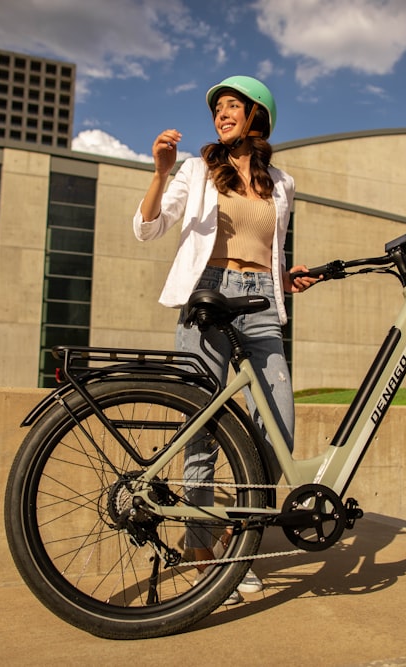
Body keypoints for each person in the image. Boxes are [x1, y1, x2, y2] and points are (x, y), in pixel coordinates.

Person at [132, 75, 317, 603]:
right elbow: (148, 228)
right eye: (218, 108)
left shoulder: (283, 183)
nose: (222, 114)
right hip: (207, 293)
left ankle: (241, 540)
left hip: (261, 298)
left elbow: (269, 247)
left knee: (278, 424)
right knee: (203, 427)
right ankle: (203, 554)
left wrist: (285, 276)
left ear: (256, 115)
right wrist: (160, 174)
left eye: (233, 106)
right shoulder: (195, 168)